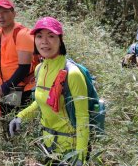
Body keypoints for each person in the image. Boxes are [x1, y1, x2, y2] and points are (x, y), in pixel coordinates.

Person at [9, 17, 89, 165]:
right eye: (39, 36)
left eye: (51, 36)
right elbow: (40, 103)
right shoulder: (40, 69)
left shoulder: (72, 74)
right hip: (47, 146)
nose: (44, 42)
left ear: (60, 39)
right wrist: (20, 117)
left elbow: (83, 118)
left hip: (69, 151)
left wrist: (80, 156)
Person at [0, 0, 39, 120]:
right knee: (6, 118)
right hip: (7, 86)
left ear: (14, 13)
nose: (1, 16)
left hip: (22, 88)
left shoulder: (22, 34)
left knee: (18, 122)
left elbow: (24, 68)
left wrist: (2, 89)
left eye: (5, 12)